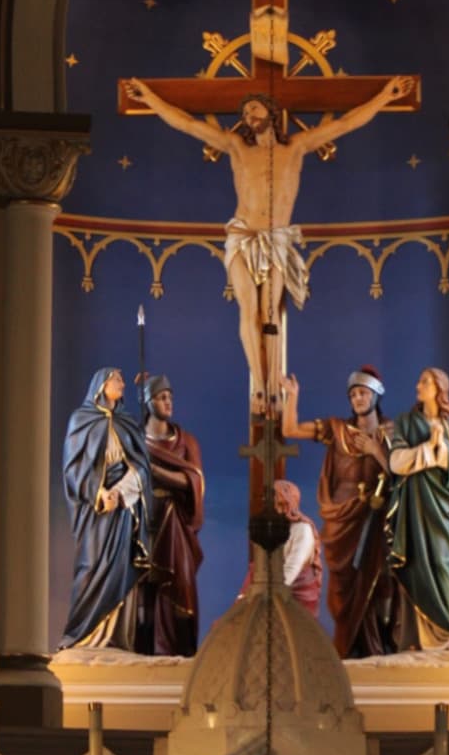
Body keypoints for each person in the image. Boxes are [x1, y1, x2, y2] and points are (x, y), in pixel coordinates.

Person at [123, 75, 415, 407]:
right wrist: (149, 97)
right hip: (242, 235)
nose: (249, 115)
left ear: (272, 112)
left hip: (276, 239)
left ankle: (274, 384)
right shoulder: (236, 148)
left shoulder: (297, 146)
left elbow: (346, 124)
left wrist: (384, 97)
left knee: (270, 313)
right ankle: (260, 384)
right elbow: (189, 125)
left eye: (255, 108)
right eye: (245, 112)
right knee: (248, 310)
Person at [280, 366, 395, 657]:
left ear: (376, 395)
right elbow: (290, 430)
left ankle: (376, 646)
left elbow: (399, 473)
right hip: (340, 519)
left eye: (363, 393)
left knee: (378, 580)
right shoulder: (338, 429)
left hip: (375, 515)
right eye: (353, 394)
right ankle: (347, 647)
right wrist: (292, 397)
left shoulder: (390, 432)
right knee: (342, 588)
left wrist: (375, 450)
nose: (358, 398)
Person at [386, 367, 449, 651]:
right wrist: (429, 448)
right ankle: (415, 640)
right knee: (414, 564)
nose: (418, 385)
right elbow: (396, 462)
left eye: (425, 381)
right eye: (419, 381)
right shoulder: (405, 422)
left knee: (442, 564)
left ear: (440, 388)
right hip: (414, 509)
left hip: (444, 513)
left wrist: (442, 453)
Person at [59, 367, 152, 649]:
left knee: (121, 566)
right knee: (91, 566)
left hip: (122, 509)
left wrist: (120, 492)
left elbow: (142, 466)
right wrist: (99, 493)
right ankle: (81, 636)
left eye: (123, 380)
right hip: (96, 510)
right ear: (101, 385)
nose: (122, 384)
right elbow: (73, 468)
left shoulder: (127, 423)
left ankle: (115, 640)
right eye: (117, 379)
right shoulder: (81, 420)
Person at [138, 373, 205, 657]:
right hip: (142, 522)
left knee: (180, 585)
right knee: (144, 590)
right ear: (148, 402)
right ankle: (144, 651)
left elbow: (194, 480)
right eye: (162, 397)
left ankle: (177, 651)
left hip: (175, 524)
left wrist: (156, 472)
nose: (168, 402)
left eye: (170, 397)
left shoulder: (185, 441)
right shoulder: (136, 441)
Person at [239, 478, 322, 615]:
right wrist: (246, 594)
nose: (267, 505)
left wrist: (267, 594)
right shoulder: (273, 529)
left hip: (294, 595)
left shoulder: (303, 530)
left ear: (285, 502)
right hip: (269, 590)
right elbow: (260, 565)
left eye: (272, 501)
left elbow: (292, 567)